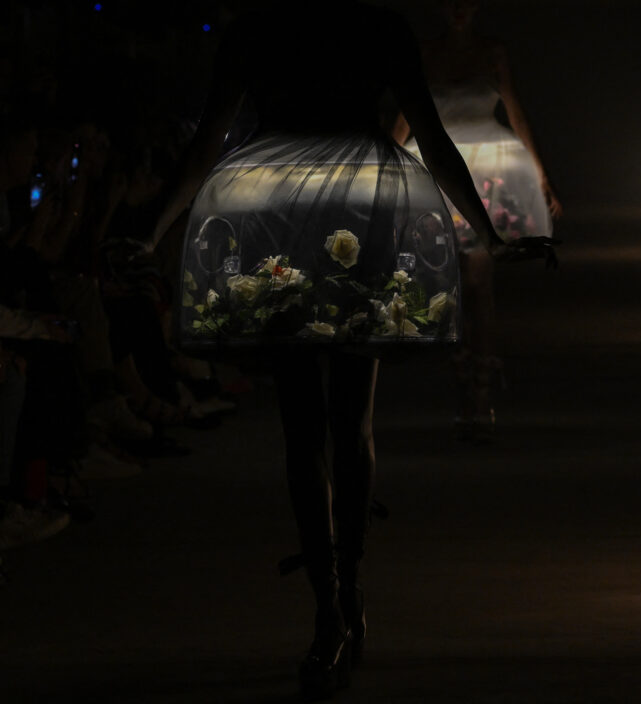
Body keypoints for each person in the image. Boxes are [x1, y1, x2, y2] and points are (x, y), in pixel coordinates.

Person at [150, 2, 508, 700]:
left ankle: (332, 600)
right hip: (352, 202)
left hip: (276, 206)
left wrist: (149, 228)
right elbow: (428, 137)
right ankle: (341, 593)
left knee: (312, 425)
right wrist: (488, 234)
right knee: (345, 419)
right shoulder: (374, 26)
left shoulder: (259, 27)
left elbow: (206, 148)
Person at [393, 0, 562, 440]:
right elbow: (404, 119)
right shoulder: (426, 54)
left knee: (479, 281)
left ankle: (481, 385)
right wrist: (381, 169)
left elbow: (515, 110)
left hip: (490, 175)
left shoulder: (494, 52)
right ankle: (463, 380)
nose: (459, 9)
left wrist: (541, 176)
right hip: (440, 171)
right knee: (453, 284)